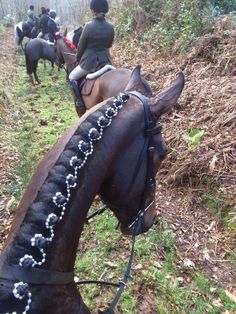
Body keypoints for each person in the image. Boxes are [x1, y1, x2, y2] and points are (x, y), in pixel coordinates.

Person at [68, 0, 114, 115]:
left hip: (89, 62)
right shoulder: (110, 27)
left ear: (93, 10)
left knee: (71, 77)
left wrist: (78, 58)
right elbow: (109, 44)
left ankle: (79, 102)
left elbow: (81, 46)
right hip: (106, 61)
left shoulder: (88, 26)